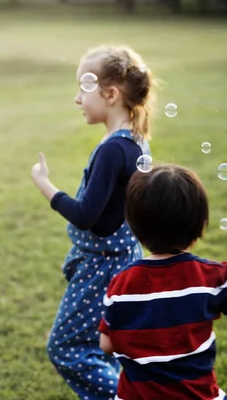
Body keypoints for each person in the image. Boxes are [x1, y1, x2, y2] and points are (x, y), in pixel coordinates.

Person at [30, 45, 154, 399]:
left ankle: (127, 396)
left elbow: (88, 216)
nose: (76, 98)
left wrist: (45, 185)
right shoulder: (134, 140)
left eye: (83, 88)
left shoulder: (114, 149)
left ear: (110, 94)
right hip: (122, 259)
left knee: (66, 347)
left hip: (103, 266)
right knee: (104, 345)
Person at [100, 164, 227, 400]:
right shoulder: (211, 277)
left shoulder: (120, 285)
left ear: (133, 225)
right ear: (200, 224)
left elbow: (106, 344)